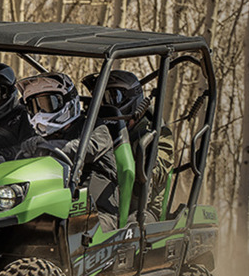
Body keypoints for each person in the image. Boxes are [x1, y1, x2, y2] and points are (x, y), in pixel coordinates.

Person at [17, 72, 119, 231]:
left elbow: (84, 148)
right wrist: (26, 150)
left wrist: (47, 147)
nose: (40, 113)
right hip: (55, 209)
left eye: (46, 104)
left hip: (99, 215)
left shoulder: (96, 129)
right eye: (34, 106)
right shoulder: (42, 138)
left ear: (67, 102)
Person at [82, 69, 174, 221]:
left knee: (132, 225)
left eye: (111, 98)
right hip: (105, 198)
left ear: (130, 99)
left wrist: (134, 152)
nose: (105, 106)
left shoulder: (156, 133)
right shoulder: (99, 131)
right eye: (100, 100)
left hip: (143, 207)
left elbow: (157, 172)